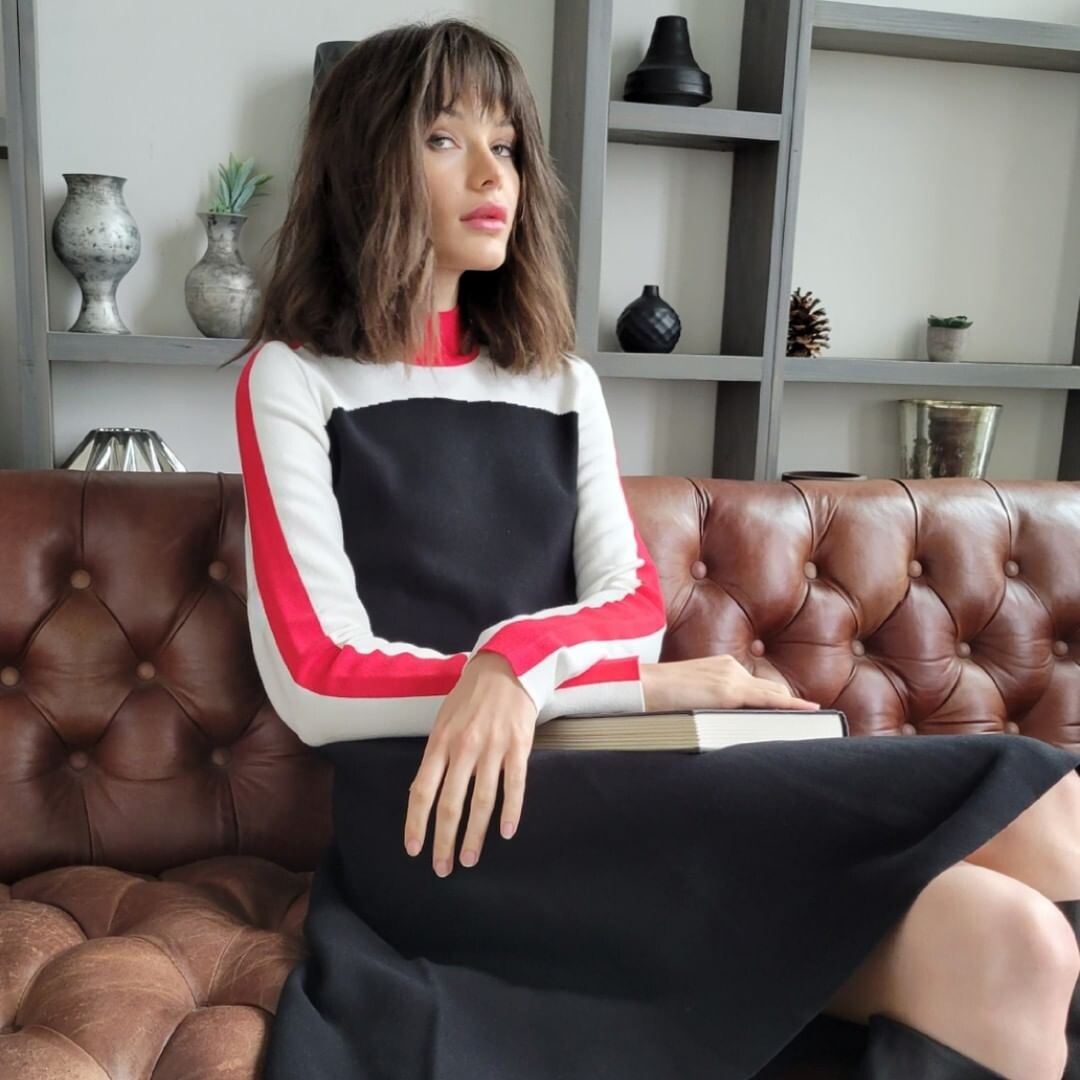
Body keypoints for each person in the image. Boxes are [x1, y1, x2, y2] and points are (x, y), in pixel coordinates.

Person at [225, 17, 1080, 1080]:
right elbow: (316, 678)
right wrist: (580, 684)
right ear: (366, 163)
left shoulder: (560, 383)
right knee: (1034, 828)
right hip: (441, 817)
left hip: (596, 771)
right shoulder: (293, 379)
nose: (493, 175)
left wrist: (519, 665)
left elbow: (629, 606)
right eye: (445, 139)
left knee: (1019, 937)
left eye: (508, 144)